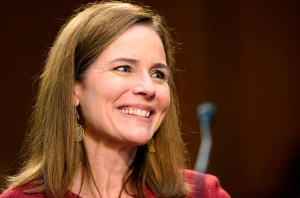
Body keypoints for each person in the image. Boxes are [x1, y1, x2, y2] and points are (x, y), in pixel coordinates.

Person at [0, 1, 230, 198]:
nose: (148, 88)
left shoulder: (202, 193)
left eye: (158, 74)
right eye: (124, 68)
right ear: (73, 89)